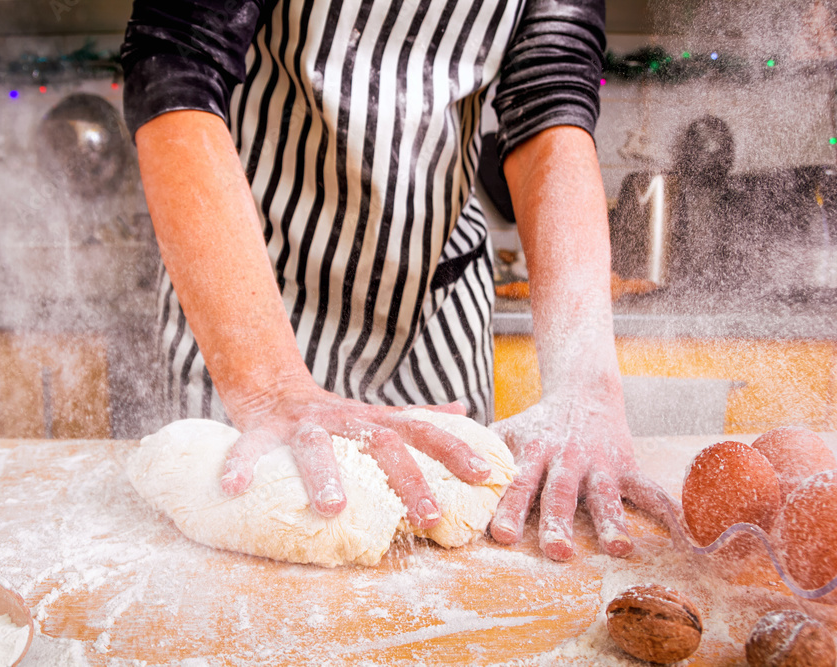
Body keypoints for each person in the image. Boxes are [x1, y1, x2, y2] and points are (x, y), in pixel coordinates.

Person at [121, 0, 669, 561]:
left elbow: (550, 109)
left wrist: (584, 387)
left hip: (435, 316)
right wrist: (268, 389)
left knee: (453, 559)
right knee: (241, 576)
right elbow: (176, 64)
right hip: (251, 308)